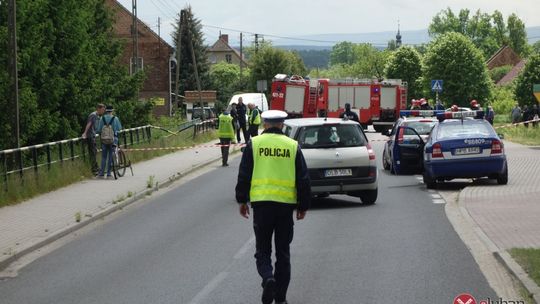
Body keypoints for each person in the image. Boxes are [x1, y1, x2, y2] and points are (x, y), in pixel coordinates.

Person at [235, 110, 311, 304]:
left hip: (261, 205)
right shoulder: (293, 146)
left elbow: (244, 174)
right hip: (285, 206)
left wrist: (242, 200)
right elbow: (303, 179)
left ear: (265, 124)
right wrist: (303, 205)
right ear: (282, 124)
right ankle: (281, 298)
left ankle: (268, 278)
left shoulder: (255, 144)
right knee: (283, 253)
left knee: (263, 250)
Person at [96, 105, 122, 178]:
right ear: (112, 111)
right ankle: (108, 174)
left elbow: (98, 130)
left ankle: (101, 174)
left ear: (106, 111)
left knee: (104, 156)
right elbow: (119, 128)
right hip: (113, 140)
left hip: (104, 140)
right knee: (111, 156)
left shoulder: (102, 118)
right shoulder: (115, 118)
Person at [82, 103, 105, 175]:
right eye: (103, 109)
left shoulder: (97, 116)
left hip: (93, 135)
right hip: (90, 136)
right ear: (99, 108)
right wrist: (85, 133)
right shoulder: (93, 115)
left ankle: (96, 167)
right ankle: (94, 169)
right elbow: (89, 123)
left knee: (94, 151)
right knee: (93, 152)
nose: (103, 111)